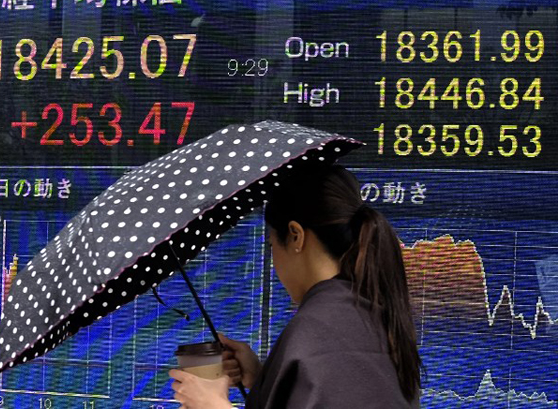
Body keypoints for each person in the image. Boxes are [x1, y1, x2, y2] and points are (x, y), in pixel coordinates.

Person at [169, 164, 422, 408]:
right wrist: (266, 379)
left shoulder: (319, 327)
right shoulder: (365, 312)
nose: (274, 263)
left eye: (272, 247)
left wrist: (212, 404)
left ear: (295, 236)